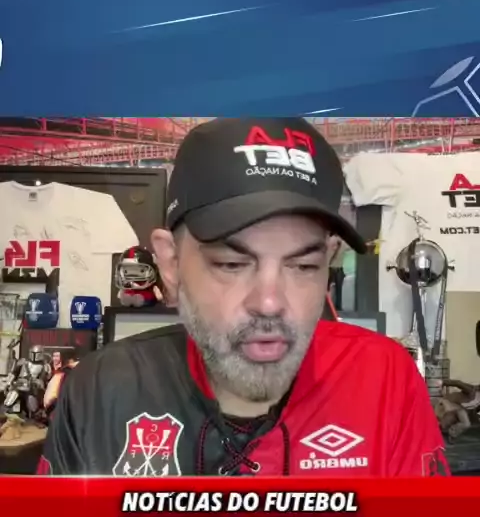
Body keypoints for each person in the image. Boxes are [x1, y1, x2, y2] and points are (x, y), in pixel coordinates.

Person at [39, 117, 450, 477]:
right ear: (171, 262)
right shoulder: (101, 392)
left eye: (303, 266)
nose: (269, 303)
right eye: (232, 264)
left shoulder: (385, 382)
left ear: (329, 261)